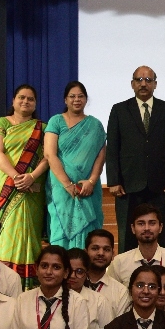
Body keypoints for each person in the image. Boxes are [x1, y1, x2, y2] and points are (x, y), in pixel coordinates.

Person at [105, 66, 165, 248]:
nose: (143, 84)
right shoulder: (119, 110)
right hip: (128, 185)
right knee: (127, 237)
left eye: (148, 80)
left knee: (162, 236)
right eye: (139, 80)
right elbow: (113, 148)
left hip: (162, 185)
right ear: (132, 84)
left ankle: (161, 267)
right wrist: (114, 180)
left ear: (155, 84)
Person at [0, 85, 49, 279]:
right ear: (13, 100)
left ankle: (30, 282)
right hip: (7, 186)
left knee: (30, 234)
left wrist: (32, 177)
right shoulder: (1, 123)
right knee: (7, 233)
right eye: (21, 97)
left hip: (32, 189)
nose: (25, 101)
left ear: (35, 104)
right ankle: (6, 280)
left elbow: (48, 157)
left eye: (30, 99)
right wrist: (16, 177)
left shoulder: (43, 128)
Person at [45, 80, 107, 249]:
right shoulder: (56, 121)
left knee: (89, 235)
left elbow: (101, 155)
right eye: (72, 96)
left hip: (88, 189)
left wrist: (91, 181)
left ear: (86, 99)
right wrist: (67, 184)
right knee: (60, 230)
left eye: (80, 96)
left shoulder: (95, 125)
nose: (76, 100)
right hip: (61, 187)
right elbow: (50, 154)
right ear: (65, 100)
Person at [107, 204, 165, 285]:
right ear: (133, 228)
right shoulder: (119, 263)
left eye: (152, 223)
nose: (147, 228)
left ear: (160, 227)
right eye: (141, 223)